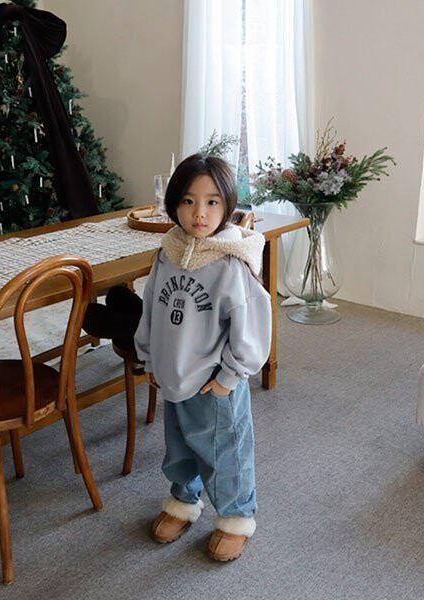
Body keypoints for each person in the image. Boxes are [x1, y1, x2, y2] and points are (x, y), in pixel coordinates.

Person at [134, 153, 272, 561]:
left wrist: (230, 377)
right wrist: (150, 358)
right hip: (173, 374)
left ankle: (235, 516)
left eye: (212, 202)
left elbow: (251, 326)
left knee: (225, 451)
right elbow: (152, 308)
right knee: (179, 446)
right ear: (174, 203)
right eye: (189, 201)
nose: (200, 213)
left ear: (227, 204)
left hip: (214, 382)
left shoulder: (231, 262)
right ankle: (183, 499)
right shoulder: (168, 253)